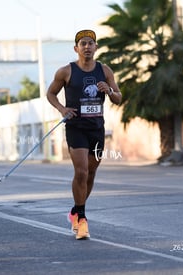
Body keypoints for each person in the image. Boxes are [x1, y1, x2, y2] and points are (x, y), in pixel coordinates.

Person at [46, 30, 122, 240]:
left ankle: (75, 210)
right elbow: (50, 93)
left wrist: (109, 91)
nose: (87, 47)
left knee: (91, 173)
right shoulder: (66, 72)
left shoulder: (104, 70)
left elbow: (118, 98)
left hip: (97, 128)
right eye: (83, 43)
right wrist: (62, 109)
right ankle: (81, 219)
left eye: (91, 43)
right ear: (76, 48)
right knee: (81, 171)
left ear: (96, 47)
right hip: (76, 127)